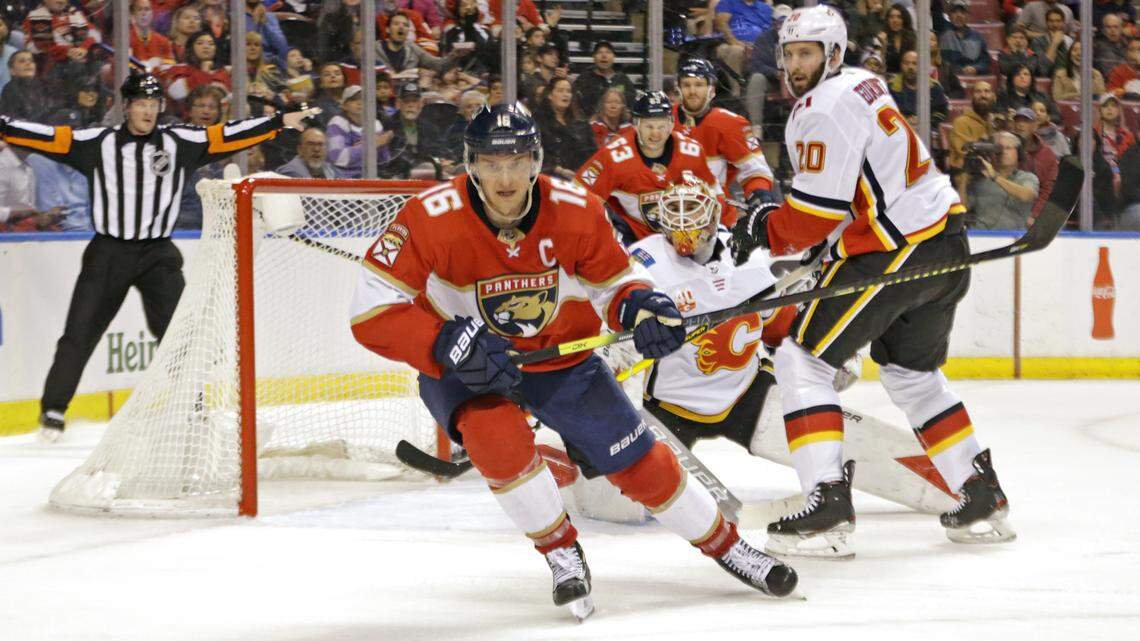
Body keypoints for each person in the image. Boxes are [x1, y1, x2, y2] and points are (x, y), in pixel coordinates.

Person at [349, 102, 798, 619]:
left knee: (640, 464)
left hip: (559, 359)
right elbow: (371, 311)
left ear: (536, 161)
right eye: (492, 163)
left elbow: (615, 283)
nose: (505, 176)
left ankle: (727, 545)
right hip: (466, 367)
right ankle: (560, 549)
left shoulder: (576, 208)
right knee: (495, 438)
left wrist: (641, 308)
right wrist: (442, 343)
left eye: (516, 161)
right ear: (470, 165)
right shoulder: (429, 218)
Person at [729, 6, 1015, 558]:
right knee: (912, 374)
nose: (794, 65)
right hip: (946, 243)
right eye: (789, 54)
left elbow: (813, 218)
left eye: (806, 53)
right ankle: (980, 493)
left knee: (799, 358)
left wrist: (764, 225)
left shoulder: (820, 108)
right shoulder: (864, 84)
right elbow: (848, 200)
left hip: (896, 252)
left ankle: (826, 505)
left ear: (833, 54)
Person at [0, 73, 316, 440]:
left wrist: (278, 123)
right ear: (127, 107)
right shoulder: (97, 143)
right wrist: (5, 127)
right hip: (109, 252)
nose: (148, 111)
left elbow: (229, 134)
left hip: (158, 254)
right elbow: (49, 137)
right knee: (79, 333)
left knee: (179, 336)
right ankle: (53, 410)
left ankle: (193, 405)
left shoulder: (179, 141)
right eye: (141, 104)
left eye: (154, 104)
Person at [576, 91, 722, 245]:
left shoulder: (691, 152)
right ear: (636, 125)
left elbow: (714, 195)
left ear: (671, 124)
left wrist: (723, 228)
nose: (655, 133)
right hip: (630, 240)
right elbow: (578, 196)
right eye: (649, 126)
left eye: (661, 126)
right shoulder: (613, 156)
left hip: (684, 238)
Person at [672, 57, 775, 226]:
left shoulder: (730, 124)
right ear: (679, 89)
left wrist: (759, 195)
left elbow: (755, 172)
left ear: (711, 90)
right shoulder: (661, 121)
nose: (692, 91)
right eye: (686, 85)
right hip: (665, 215)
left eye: (698, 85)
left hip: (716, 218)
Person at [964, 131, 1038, 230]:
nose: (1003, 152)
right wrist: (962, 183)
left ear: (1018, 153)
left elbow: (1027, 195)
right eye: (999, 149)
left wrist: (995, 177)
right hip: (980, 238)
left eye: (1008, 148)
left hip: (1013, 238)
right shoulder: (980, 180)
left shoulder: (1027, 177)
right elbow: (961, 209)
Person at [534, 77, 595, 181]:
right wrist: (559, 170)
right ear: (550, 95)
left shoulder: (580, 124)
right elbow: (535, 153)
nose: (565, 94)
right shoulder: (538, 121)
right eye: (560, 90)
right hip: (549, 178)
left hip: (579, 178)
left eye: (568, 91)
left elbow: (591, 152)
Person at [328, 84, 393, 178]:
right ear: (344, 106)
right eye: (353, 99)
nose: (359, 102)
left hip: (371, 177)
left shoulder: (375, 124)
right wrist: (372, 144)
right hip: (342, 179)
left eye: (363, 99)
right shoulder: (337, 123)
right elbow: (338, 158)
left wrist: (383, 144)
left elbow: (384, 161)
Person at [1011, 107, 1058, 222]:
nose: (1020, 125)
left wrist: (1034, 214)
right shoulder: (1006, 148)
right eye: (1018, 121)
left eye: (1026, 121)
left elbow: (1048, 189)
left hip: (1036, 212)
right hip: (1008, 208)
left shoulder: (1047, 154)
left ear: (1035, 126)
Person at [713, 0, 773, 89]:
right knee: (736, 51)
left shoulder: (765, 8)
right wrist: (735, 42)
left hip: (758, 46)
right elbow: (721, 24)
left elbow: (770, 32)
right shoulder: (728, 3)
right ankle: (736, 92)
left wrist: (760, 47)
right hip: (730, 44)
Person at [571, 40, 636, 117]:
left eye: (608, 52)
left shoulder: (622, 79)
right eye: (599, 52)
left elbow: (632, 104)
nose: (604, 56)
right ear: (594, 57)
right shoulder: (584, 79)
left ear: (613, 57)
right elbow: (574, 102)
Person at [890, 50, 949, 130]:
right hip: (899, 130)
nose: (910, 67)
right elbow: (887, 113)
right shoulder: (891, 87)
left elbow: (940, 112)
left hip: (927, 131)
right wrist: (905, 121)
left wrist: (925, 122)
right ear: (901, 65)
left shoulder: (934, 87)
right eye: (906, 63)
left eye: (915, 63)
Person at [948, 80, 997, 170]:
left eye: (987, 91)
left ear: (993, 96)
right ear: (972, 96)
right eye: (978, 92)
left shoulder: (996, 122)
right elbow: (966, 152)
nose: (983, 95)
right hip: (968, 174)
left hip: (994, 173)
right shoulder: (961, 122)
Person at [939, 0, 990, 77]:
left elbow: (985, 61)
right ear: (949, 16)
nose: (959, 15)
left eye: (962, 12)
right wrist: (960, 70)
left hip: (975, 77)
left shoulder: (977, 37)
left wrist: (976, 68)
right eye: (954, 12)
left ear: (967, 16)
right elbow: (942, 63)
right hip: (952, 79)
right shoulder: (944, 38)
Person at [277, 125, 342, 179]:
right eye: (311, 144)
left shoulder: (332, 171)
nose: (316, 149)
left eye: (320, 144)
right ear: (300, 149)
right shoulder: (289, 173)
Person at [129, 0, 175, 73]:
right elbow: (126, 68)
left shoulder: (163, 41)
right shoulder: (125, 40)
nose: (144, 14)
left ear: (152, 14)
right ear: (132, 16)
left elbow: (170, 68)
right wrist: (150, 65)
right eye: (139, 9)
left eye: (147, 9)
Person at [1029, 7, 1072, 77]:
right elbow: (1043, 70)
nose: (1054, 25)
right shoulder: (1037, 42)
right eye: (1051, 21)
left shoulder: (1070, 41)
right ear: (1046, 22)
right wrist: (1054, 43)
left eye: (1058, 21)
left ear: (1063, 23)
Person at [880, 3, 917, 75]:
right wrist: (883, 45)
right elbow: (880, 66)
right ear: (887, 20)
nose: (895, 20)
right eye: (891, 17)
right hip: (887, 76)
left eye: (899, 17)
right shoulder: (882, 37)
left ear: (904, 20)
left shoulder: (912, 37)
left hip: (907, 76)